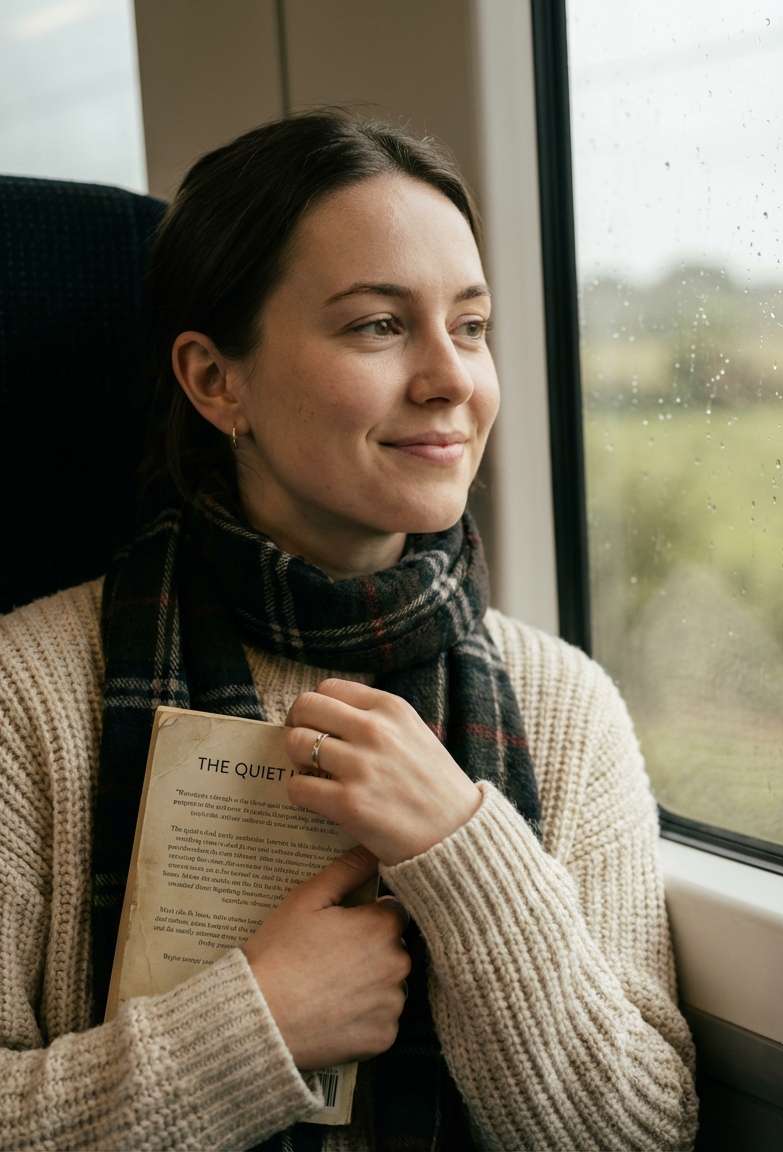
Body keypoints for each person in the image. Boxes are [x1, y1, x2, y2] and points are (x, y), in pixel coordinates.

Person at [0, 110, 697, 1151]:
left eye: (469, 324)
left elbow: (646, 1135)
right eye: (378, 325)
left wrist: (462, 851)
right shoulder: (26, 691)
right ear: (213, 380)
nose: (451, 378)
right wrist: (258, 1028)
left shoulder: (563, 702)